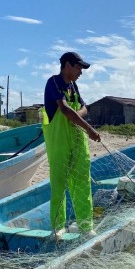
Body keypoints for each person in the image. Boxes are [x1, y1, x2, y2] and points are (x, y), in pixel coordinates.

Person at [42, 52, 101, 239]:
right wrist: (89, 129)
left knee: (82, 183)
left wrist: (77, 115)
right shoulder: (54, 83)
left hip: (78, 142)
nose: (80, 72)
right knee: (59, 183)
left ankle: (85, 226)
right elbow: (65, 110)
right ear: (67, 65)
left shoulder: (73, 87)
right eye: (78, 68)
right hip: (59, 143)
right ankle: (58, 228)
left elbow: (84, 108)